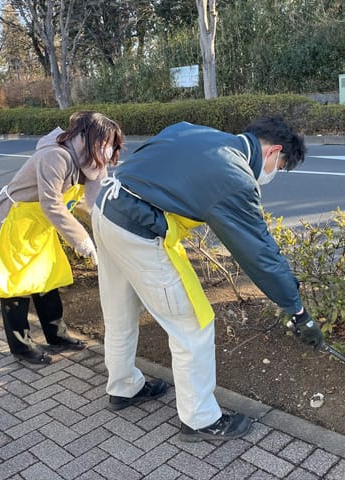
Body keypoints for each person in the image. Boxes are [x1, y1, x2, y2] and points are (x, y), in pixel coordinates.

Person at [91, 116, 323, 442]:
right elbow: (260, 254)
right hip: (139, 230)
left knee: (119, 312)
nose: (273, 173)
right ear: (273, 151)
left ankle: (123, 387)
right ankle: (200, 419)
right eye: (280, 165)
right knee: (193, 324)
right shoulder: (235, 176)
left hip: (105, 210)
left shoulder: (198, 133)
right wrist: (296, 309)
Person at [0, 111, 123, 364]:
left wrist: (104, 228)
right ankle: (21, 347)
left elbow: (85, 203)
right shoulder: (56, 156)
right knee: (14, 288)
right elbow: (52, 203)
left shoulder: (87, 163)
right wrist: (82, 240)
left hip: (39, 227)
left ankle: (57, 336)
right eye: (105, 143)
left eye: (112, 145)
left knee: (47, 281)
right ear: (88, 138)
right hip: (15, 223)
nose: (108, 150)